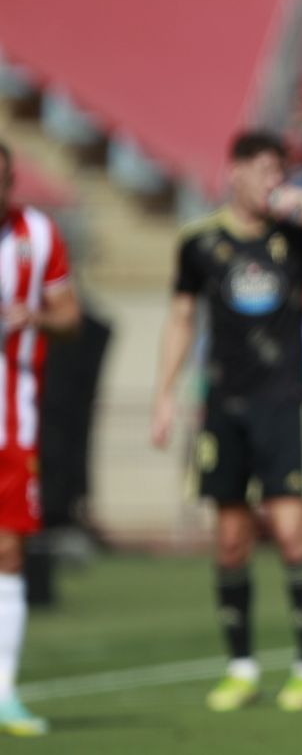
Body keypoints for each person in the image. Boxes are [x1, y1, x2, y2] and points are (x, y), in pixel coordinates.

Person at [151, 131, 302, 713]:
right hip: (223, 403)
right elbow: (181, 318)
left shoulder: (296, 236)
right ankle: (241, 667)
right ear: (236, 174)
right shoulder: (199, 244)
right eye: (264, 169)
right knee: (229, 541)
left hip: (280, 402)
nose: (274, 181)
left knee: (291, 528)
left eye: (280, 171)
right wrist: (165, 393)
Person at [0, 143, 80, 736]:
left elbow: (70, 314)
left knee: (8, 551)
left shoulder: (38, 235)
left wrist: (36, 319)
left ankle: (4, 692)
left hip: (12, 418)